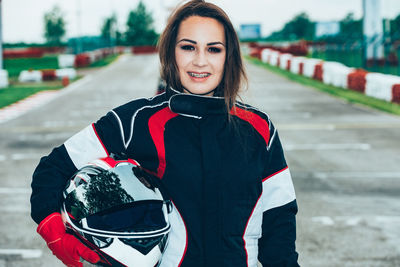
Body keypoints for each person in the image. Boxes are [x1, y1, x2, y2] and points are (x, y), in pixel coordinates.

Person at [30, 0, 299, 266]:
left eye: (214, 49)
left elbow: (280, 225)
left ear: (229, 56)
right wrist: (52, 227)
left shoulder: (259, 129)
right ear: (171, 52)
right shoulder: (134, 122)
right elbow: (52, 170)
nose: (200, 61)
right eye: (188, 47)